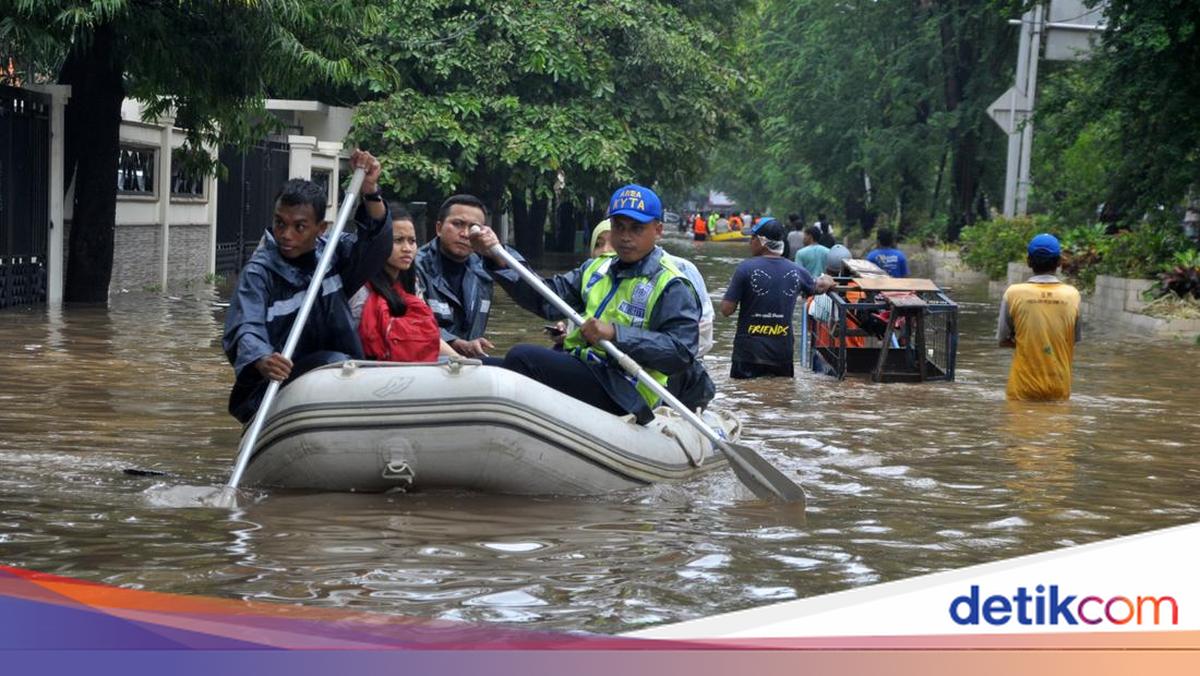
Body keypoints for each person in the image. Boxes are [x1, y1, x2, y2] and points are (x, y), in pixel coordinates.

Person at [486, 184, 701, 424]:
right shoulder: (596, 268)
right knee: (487, 367)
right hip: (584, 367)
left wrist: (615, 334)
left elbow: (681, 353)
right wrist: (499, 260)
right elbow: (546, 299)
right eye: (619, 227)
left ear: (658, 230)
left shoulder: (671, 284)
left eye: (636, 228)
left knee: (522, 356)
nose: (626, 237)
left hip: (625, 388)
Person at [222, 150, 390, 423]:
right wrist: (263, 358)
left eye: (299, 227)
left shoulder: (334, 254)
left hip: (340, 372)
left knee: (338, 362)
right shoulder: (260, 272)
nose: (286, 235)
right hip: (279, 383)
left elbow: (376, 246)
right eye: (280, 223)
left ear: (320, 228)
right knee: (332, 361)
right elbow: (245, 327)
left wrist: (370, 190)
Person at [593, 218, 716, 410]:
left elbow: (697, 338)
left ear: (656, 232)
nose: (607, 250)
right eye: (599, 244)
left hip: (662, 376)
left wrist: (622, 337)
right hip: (605, 371)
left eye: (635, 230)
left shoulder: (678, 273)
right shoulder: (589, 279)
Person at [721, 217, 834, 378]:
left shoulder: (745, 269)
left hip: (748, 354)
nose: (749, 242)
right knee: (780, 398)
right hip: (781, 354)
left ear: (761, 241)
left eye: (752, 238)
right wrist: (828, 279)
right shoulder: (796, 271)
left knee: (745, 399)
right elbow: (820, 286)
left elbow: (726, 310)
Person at [414, 194, 525, 359]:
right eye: (457, 224)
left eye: (473, 228)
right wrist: (456, 343)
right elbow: (413, 324)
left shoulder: (486, 267)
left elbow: (527, 285)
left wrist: (497, 254)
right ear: (439, 228)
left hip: (468, 365)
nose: (465, 234)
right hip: (427, 363)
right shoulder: (414, 267)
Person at [353, 205, 459, 362]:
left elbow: (429, 335)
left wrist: (460, 360)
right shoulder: (360, 288)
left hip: (411, 364)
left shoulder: (411, 284)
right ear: (378, 242)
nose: (407, 249)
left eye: (412, 241)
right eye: (398, 240)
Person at [997, 233, 1082, 401]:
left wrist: (1026, 341)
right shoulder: (1073, 295)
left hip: (1022, 388)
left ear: (1028, 261)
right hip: (1059, 388)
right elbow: (1072, 339)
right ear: (1059, 262)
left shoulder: (1013, 293)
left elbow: (1002, 339)